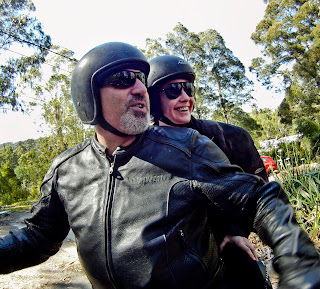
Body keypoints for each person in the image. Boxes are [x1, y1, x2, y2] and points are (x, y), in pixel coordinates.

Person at [0, 42, 319, 289]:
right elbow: (37, 236)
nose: (139, 88)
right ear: (89, 96)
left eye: (140, 79)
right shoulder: (66, 170)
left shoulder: (187, 148)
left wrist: (299, 263)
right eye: (124, 80)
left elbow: (257, 199)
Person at [147, 55, 269, 288]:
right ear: (153, 99)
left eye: (188, 88)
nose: (185, 97)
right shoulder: (143, 149)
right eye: (173, 90)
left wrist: (236, 231)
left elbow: (258, 188)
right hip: (172, 257)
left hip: (224, 247)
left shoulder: (229, 137)